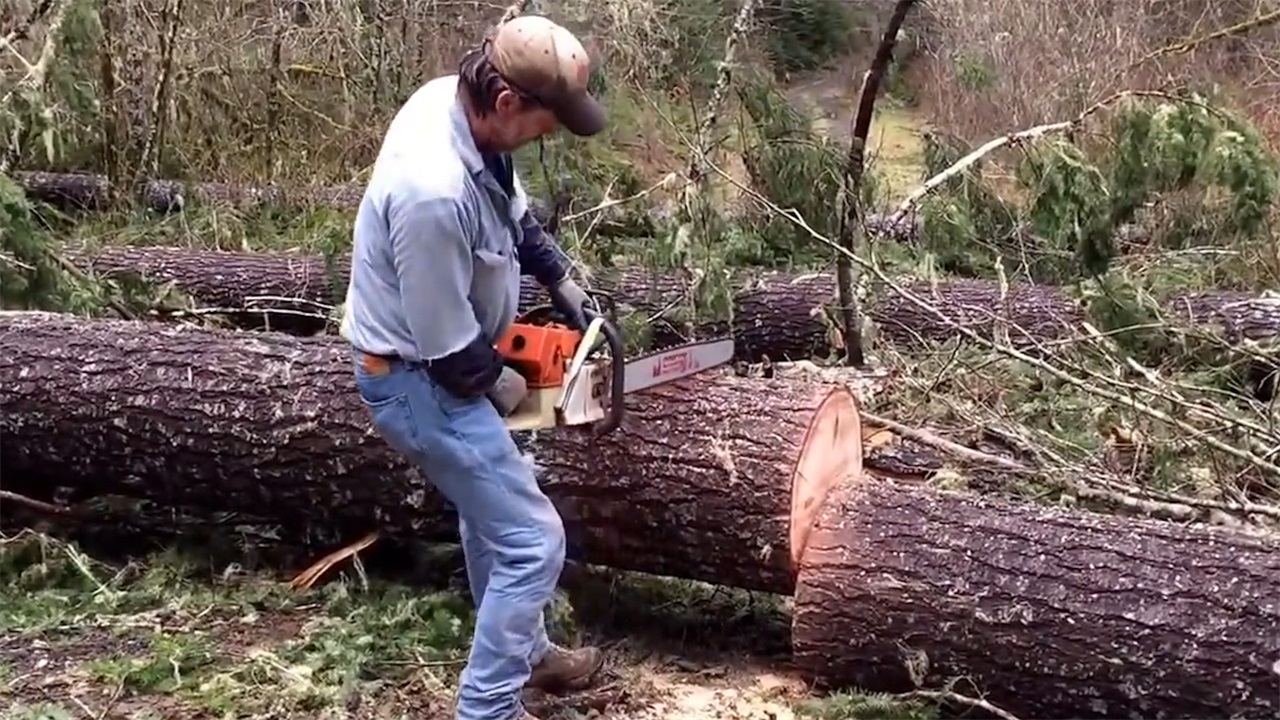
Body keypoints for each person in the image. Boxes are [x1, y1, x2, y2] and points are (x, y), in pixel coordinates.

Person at [339, 14, 607, 720]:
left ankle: (527, 654)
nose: (551, 135)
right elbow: (449, 351)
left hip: (441, 362)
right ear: (510, 101)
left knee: (497, 518)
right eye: (549, 120)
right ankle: (487, 707)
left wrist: (560, 281)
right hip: (414, 380)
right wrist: (506, 382)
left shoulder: (458, 106)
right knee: (533, 537)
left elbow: (511, 217)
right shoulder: (430, 191)